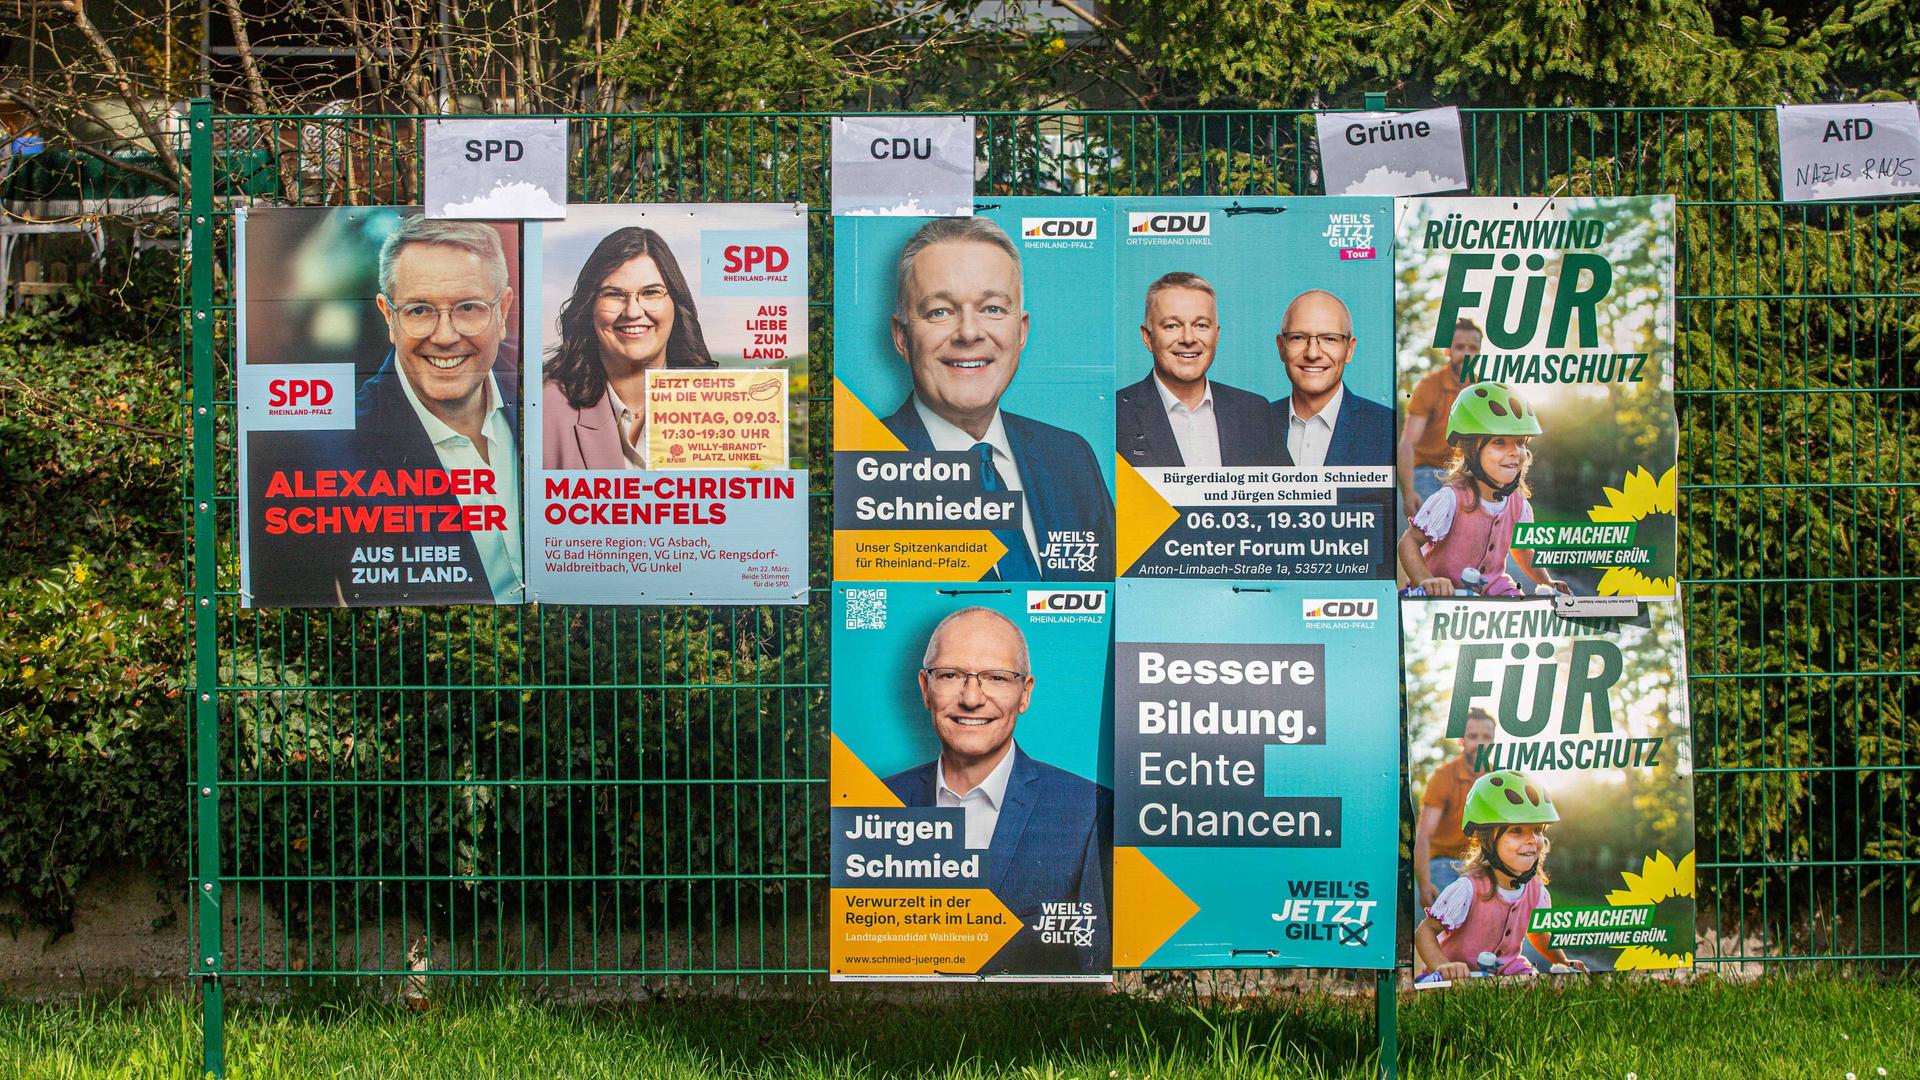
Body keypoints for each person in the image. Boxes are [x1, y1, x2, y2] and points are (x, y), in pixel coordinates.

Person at [252, 215, 522, 606]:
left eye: (468, 307)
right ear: (388, 316)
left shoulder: (554, 387)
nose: (445, 335)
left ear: (502, 310)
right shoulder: (328, 453)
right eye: (419, 311)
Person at [880, 216, 1114, 581]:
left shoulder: (1070, 458)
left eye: (992, 309)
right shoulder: (867, 462)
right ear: (901, 337)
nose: (969, 332)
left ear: (1021, 332)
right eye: (939, 311)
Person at [882, 607, 1112, 975]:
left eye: (996, 678)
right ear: (925, 688)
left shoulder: (1088, 809)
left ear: (1025, 693)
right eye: (951, 675)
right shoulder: (878, 801)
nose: (972, 698)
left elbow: (1094, 964)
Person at [541, 226, 716, 469]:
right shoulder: (545, 407)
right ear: (589, 306)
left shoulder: (722, 405)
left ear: (676, 304)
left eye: (651, 292)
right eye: (614, 294)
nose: (632, 312)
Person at [1396, 382, 1569, 598]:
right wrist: (1426, 580)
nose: (1514, 452)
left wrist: (1546, 581)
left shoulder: (1519, 504)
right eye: (1500, 442)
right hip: (1445, 589)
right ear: (1471, 450)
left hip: (1494, 586)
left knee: (1520, 605)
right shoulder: (1450, 499)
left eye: (1519, 442)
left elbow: (1523, 549)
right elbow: (1409, 542)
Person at [1413, 770, 1588, 981]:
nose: (1532, 840)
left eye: (1537, 830)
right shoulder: (1468, 889)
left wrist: (1563, 962)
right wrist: (1443, 966)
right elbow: (1425, 932)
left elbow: (1539, 934)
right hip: (1459, 975)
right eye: (1517, 830)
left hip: (1509, 971)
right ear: (1488, 840)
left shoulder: (1536, 891)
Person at [1115, 271, 1290, 467]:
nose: (1188, 339)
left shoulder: (1254, 411)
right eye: (1172, 326)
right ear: (1147, 337)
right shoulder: (1117, 414)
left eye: (1201, 325)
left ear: (1216, 335)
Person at [1269, 289, 1393, 467]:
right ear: (1281, 347)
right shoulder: (1255, 425)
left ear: (1349, 349)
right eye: (1298, 338)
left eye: (1329, 339)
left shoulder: (1388, 428)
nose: (1313, 353)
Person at [1414, 708, 1498, 910]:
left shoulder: (1499, 777)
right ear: (1462, 741)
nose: (1480, 743)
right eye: (1473, 736)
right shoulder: (1444, 776)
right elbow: (1424, 836)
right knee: (1442, 916)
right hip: (1445, 863)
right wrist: (1424, 884)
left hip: (1484, 865)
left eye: (1486, 737)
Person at [1399, 318, 1482, 520]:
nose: (1467, 354)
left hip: (1466, 473)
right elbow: (1408, 443)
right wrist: (1408, 494)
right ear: (1448, 351)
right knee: (1435, 528)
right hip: (1429, 471)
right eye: (1460, 347)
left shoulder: (1484, 389)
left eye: (1473, 348)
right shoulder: (1429, 385)